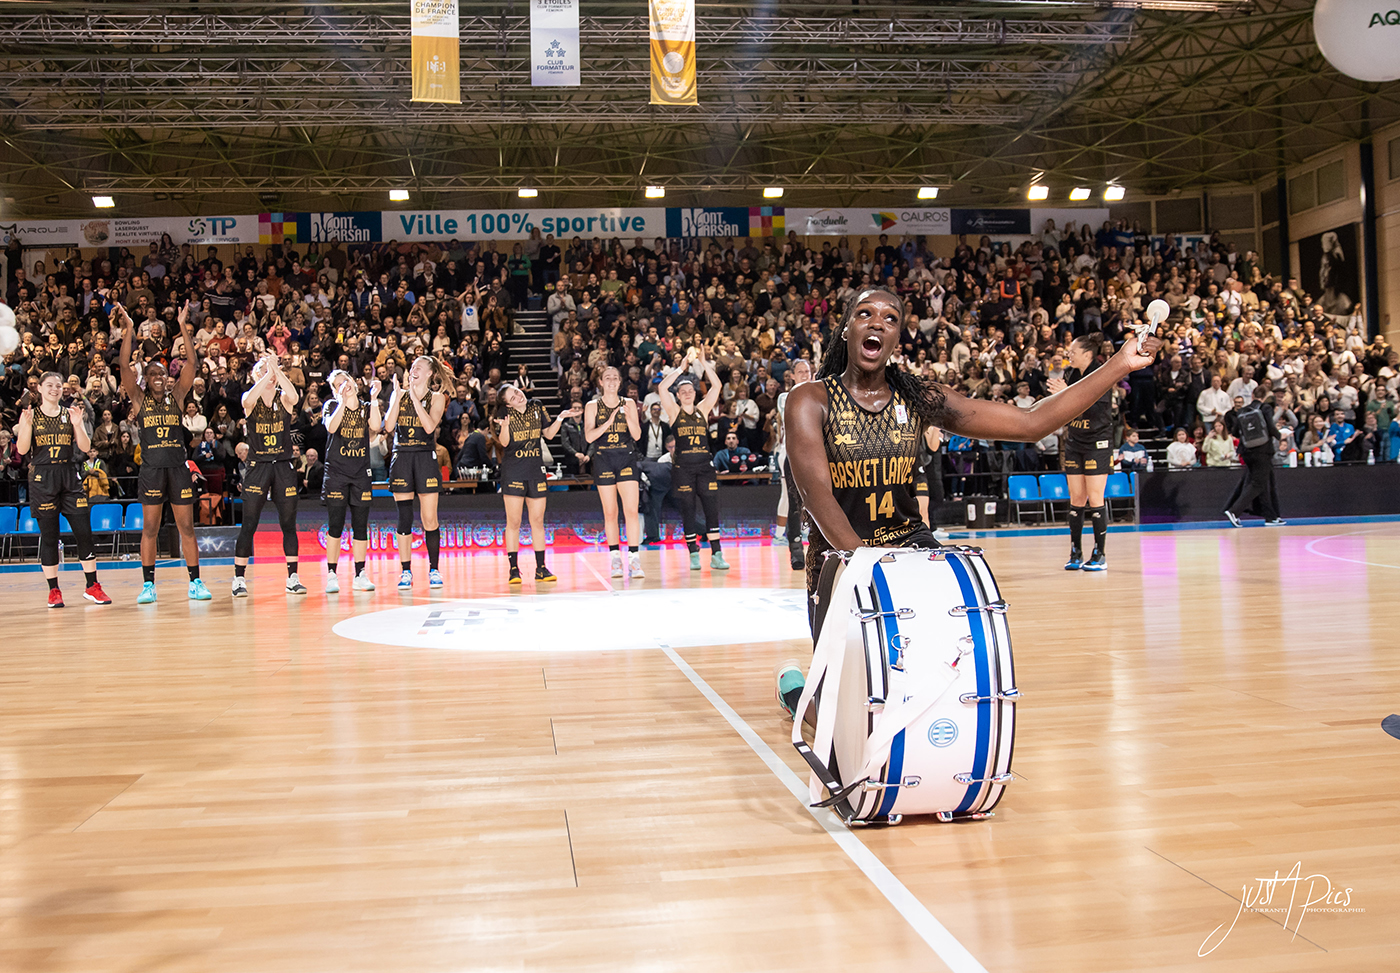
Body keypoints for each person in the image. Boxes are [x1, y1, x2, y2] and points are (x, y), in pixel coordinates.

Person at [775, 287, 1159, 719]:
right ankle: (798, 694)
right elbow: (816, 497)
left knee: (943, 677)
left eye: (890, 317)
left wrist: (1121, 363)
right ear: (847, 328)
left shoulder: (919, 397)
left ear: (898, 336)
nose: (877, 322)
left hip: (911, 549)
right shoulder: (810, 399)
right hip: (840, 559)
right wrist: (865, 568)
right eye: (865, 313)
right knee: (839, 718)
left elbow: (1032, 422)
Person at [117, 303, 210, 603]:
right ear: (146, 379)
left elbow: (192, 366)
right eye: (152, 373)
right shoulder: (139, 399)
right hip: (151, 471)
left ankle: (195, 582)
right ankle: (148, 585)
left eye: (162, 373)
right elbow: (122, 368)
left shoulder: (178, 396)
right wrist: (130, 330)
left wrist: (183, 327)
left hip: (177, 469)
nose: (158, 376)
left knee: (187, 527)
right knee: (150, 528)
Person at [15, 371, 112, 608]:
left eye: (59, 385)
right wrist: (25, 426)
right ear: (39, 388)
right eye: (49, 385)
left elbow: (85, 446)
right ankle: (54, 590)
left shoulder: (70, 414)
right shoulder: (30, 415)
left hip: (69, 475)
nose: (55, 389)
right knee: (50, 537)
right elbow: (22, 448)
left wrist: (78, 425)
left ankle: (92, 586)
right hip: (42, 478)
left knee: (83, 531)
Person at [232, 352, 304, 596]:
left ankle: (292, 576)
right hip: (258, 465)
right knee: (249, 523)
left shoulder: (284, 398)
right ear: (255, 375)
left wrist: (277, 370)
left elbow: (294, 395)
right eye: (262, 369)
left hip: (283, 464)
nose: (269, 372)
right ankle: (239, 579)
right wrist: (265, 373)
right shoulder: (249, 397)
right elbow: (247, 401)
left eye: (270, 370)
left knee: (288, 523)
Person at [495, 383, 581, 583]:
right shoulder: (504, 415)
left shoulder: (536, 405)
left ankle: (541, 568)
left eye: (517, 392)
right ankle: (514, 569)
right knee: (514, 522)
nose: (518, 396)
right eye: (513, 397)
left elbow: (549, 434)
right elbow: (505, 443)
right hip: (514, 471)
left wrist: (560, 418)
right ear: (508, 405)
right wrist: (505, 427)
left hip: (535, 469)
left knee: (537, 521)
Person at [384, 355, 456, 589]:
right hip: (402, 456)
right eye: (412, 366)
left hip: (425, 456)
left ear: (429, 374)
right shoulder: (399, 393)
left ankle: (434, 569)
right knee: (404, 518)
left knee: (429, 518)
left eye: (419, 367)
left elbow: (428, 426)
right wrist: (397, 396)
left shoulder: (436, 398)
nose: (413, 369)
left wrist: (414, 398)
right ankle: (406, 571)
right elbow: (388, 426)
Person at [658, 346, 729, 571]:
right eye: (683, 391)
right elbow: (662, 387)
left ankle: (717, 554)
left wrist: (703, 362)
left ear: (695, 393)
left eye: (690, 389)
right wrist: (681, 369)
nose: (687, 393)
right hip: (683, 468)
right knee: (688, 509)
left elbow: (717, 386)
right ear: (678, 396)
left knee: (711, 509)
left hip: (704, 466)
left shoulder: (703, 409)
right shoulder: (674, 412)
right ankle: (693, 553)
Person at [321, 370, 383, 592]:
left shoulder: (366, 407)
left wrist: (374, 399)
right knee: (335, 524)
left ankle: (360, 573)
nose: (343, 386)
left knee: (360, 525)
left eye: (345, 381)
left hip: (360, 473)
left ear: (353, 382)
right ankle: (331, 574)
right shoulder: (330, 406)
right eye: (337, 385)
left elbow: (376, 426)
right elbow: (331, 427)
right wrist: (341, 401)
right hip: (337, 473)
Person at [1058, 332, 1114, 572]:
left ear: (1088, 355)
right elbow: (1065, 407)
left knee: (1095, 498)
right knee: (1076, 499)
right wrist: (1058, 396)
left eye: (1073, 351)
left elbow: (1086, 404)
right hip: (1075, 442)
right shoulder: (1071, 374)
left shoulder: (1100, 374)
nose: (1069, 354)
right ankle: (1075, 552)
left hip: (1097, 443)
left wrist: (1065, 393)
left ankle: (1100, 553)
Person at [584, 366, 644, 579]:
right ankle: (615, 558)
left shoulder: (628, 403)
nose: (611, 381)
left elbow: (637, 436)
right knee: (610, 512)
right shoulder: (592, 406)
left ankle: (635, 559)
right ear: (600, 382)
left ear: (620, 382)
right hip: (604, 459)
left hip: (626, 458)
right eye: (607, 378)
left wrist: (628, 418)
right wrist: (608, 423)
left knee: (631, 511)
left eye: (615, 378)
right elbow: (589, 437)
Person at [1224, 386, 1285, 527]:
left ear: (1252, 395)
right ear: (1265, 396)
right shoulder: (1266, 408)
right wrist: (1281, 436)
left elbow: (1235, 432)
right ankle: (1234, 511)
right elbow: (1270, 426)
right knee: (1258, 484)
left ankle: (1270, 517)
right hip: (1262, 452)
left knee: (1264, 483)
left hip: (1246, 452)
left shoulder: (1243, 410)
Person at [773, 357, 813, 569]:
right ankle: (794, 547)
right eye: (801, 371)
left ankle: (816, 543)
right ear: (792, 376)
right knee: (792, 499)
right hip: (792, 454)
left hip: (815, 455)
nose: (805, 374)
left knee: (816, 499)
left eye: (808, 371)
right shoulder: (785, 397)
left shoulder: (819, 394)